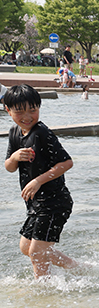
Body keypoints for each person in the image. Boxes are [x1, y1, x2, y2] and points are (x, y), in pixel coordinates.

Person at [3, 84, 80, 278]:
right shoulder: (14, 133)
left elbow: (67, 162)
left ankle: (44, 290)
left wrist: (38, 181)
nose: (27, 116)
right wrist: (14, 158)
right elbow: (9, 167)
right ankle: (77, 268)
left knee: (37, 252)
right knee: (26, 247)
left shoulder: (42, 133)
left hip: (54, 202)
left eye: (33, 110)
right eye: (20, 111)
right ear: (7, 110)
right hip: (35, 204)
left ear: (39, 107)